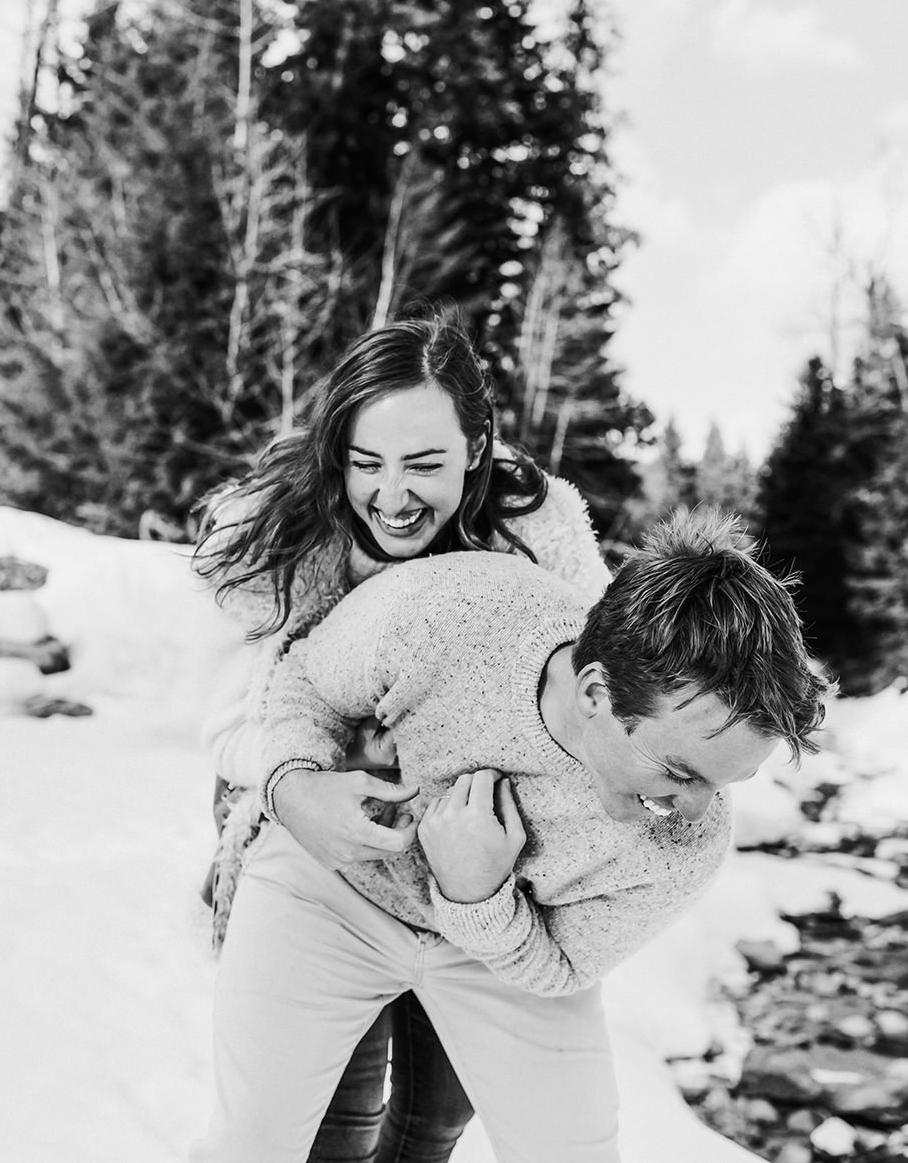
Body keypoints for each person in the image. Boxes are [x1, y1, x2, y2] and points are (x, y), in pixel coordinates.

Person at [191, 509, 830, 1163]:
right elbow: (303, 677)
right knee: (249, 1145)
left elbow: (563, 966)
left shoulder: (689, 847)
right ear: (595, 692)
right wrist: (297, 787)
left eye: (723, 784)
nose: (696, 811)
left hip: (507, 955)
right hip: (333, 891)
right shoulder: (449, 611)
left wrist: (478, 896)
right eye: (680, 773)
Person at [192, 315, 611, 1163]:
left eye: (424, 464)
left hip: (486, 883)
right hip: (331, 864)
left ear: (477, 446)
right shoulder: (288, 537)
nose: (391, 495)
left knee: (431, 1123)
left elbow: (597, 701)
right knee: (329, 1126)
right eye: (367, 462)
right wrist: (297, 784)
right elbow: (229, 721)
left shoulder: (539, 535)